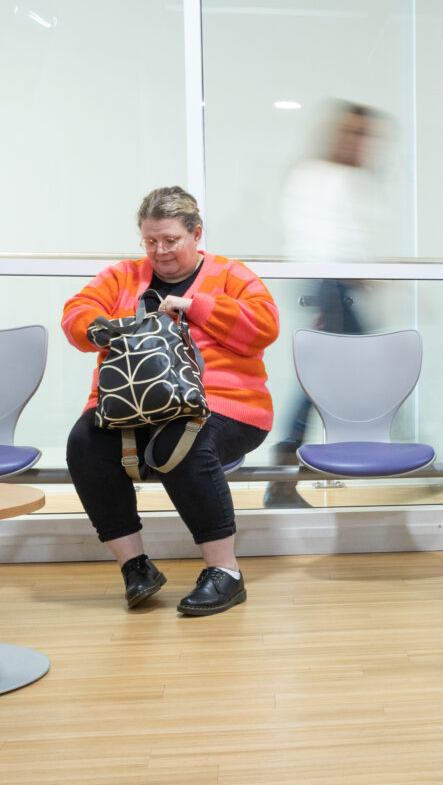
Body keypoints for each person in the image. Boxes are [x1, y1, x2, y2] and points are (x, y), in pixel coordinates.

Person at [62, 186, 281, 617]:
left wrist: (194, 305)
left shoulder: (232, 275)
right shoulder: (123, 276)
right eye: (150, 240)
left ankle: (226, 573)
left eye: (170, 240)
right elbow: (76, 312)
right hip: (131, 404)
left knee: (181, 442)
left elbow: (264, 326)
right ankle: (135, 568)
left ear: (196, 234)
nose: (159, 251)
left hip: (225, 405)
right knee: (84, 442)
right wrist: (99, 328)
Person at [264, 103, 384, 509]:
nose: (361, 143)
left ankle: (286, 472)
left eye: (366, 135)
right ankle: (285, 473)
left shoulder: (357, 180)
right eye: (354, 133)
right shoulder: (316, 176)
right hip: (326, 285)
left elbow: (353, 241)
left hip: (338, 286)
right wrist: (324, 294)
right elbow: (316, 242)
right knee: (335, 374)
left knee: (335, 374)